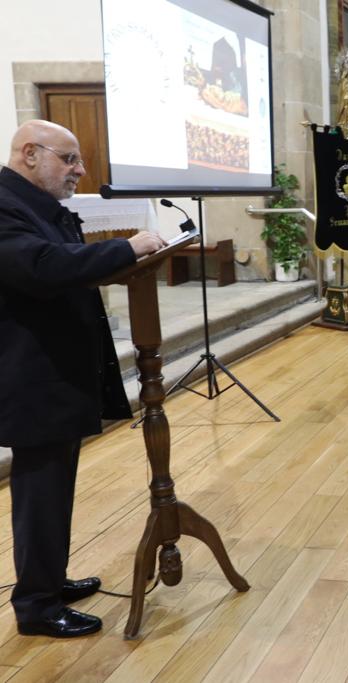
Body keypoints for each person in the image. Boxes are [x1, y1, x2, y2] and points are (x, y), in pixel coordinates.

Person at [0, 120, 165, 638]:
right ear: (30, 153)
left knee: (54, 488)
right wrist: (126, 249)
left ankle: (48, 580)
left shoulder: (34, 204)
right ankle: (37, 606)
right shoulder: (4, 205)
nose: (80, 169)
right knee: (41, 491)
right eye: (69, 159)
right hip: (31, 372)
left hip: (53, 368)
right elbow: (41, 266)